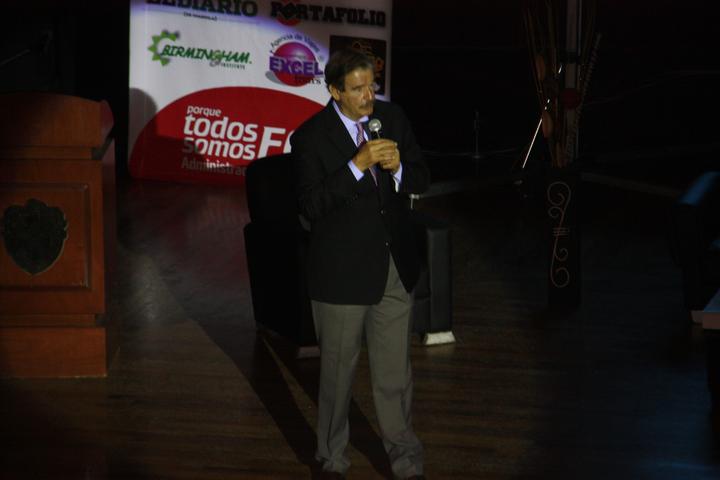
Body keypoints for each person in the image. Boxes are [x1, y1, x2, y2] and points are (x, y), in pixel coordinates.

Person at [291, 48, 429, 480]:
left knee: (395, 378)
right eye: (357, 89)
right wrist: (356, 166)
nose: (369, 96)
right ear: (335, 91)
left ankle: (406, 461)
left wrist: (400, 167)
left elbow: (423, 177)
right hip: (342, 276)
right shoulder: (310, 137)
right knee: (337, 378)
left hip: (393, 269)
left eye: (372, 85)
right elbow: (310, 206)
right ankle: (332, 460)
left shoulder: (392, 118)